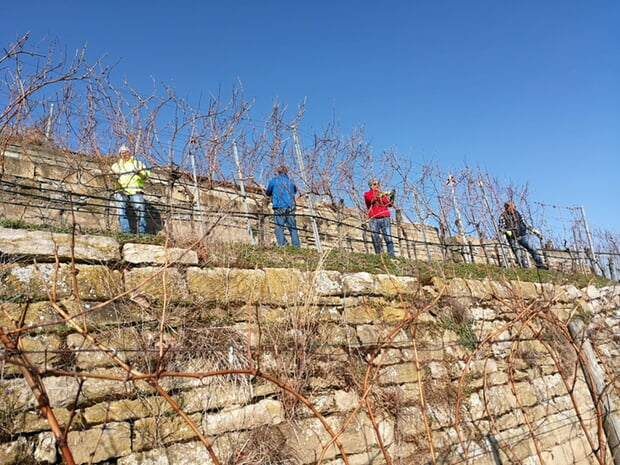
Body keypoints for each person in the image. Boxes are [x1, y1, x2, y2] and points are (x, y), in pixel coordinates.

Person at [111, 145, 150, 234]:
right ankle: (126, 232)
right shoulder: (116, 165)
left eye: (126, 152)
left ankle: (142, 233)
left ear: (130, 153)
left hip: (135, 190)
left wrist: (140, 171)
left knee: (140, 213)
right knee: (120, 212)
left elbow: (147, 174)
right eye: (122, 153)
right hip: (121, 191)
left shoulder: (137, 164)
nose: (125, 154)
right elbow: (114, 172)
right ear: (120, 155)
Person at [498, 201, 548, 269]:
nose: (513, 209)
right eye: (511, 208)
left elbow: (525, 223)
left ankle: (540, 265)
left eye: (514, 207)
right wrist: (507, 231)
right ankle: (524, 268)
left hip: (522, 235)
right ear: (507, 208)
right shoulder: (503, 216)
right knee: (518, 254)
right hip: (512, 238)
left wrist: (533, 230)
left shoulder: (518, 214)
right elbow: (501, 228)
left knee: (533, 249)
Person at [265, 165, 301, 247]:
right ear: (286, 172)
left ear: (278, 172)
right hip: (290, 207)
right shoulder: (290, 182)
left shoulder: (274, 181)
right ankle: (296, 246)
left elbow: (267, 192)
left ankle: (282, 245)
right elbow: (294, 191)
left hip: (279, 206)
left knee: (279, 227)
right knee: (293, 228)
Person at [364, 179, 395, 256]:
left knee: (388, 237)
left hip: (385, 217)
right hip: (374, 218)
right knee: (375, 237)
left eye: (378, 184)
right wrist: (380, 195)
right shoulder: (367, 194)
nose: (377, 186)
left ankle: (391, 255)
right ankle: (379, 255)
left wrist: (392, 196)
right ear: (371, 186)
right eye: (375, 184)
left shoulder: (382, 194)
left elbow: (389, 204)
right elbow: (372, 200)